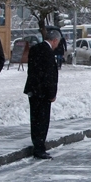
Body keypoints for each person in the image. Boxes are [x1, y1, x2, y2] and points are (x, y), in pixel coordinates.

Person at [23, 29, 61, 160]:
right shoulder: (48, 52)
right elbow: (49, 75)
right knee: (42, 120)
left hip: (33, 89)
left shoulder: (35, 48)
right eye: (58, 42)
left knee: (35, 119)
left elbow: (33, 70)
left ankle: (37, 144)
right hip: (43, 92)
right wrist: (51, 93)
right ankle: (39, 148)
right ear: (55, 40)